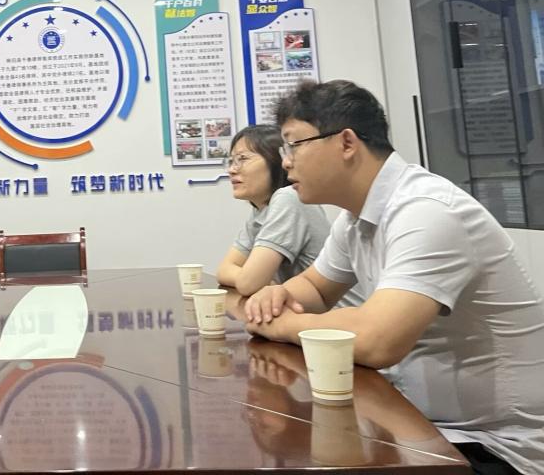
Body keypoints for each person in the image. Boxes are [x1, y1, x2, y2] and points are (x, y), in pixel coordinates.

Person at [243, 80, 544, 474]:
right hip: (414, 423)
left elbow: (377, 341)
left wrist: (281, 324)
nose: (286, 162)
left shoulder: (427, 211)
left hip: (489, 447)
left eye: (293, 145)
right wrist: (277, 296)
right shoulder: (355, 218)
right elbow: (314, 287)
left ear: (346, 143)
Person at [216, 124, 348, 298]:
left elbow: (248, 284)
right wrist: (264, 283)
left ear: (276, 161)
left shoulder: (289, 198)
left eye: (243, 159)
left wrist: (256, 281)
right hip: (300, 308)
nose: (232, 170)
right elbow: (224, 270)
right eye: (232, 161)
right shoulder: (261, 210)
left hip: (333, 313)